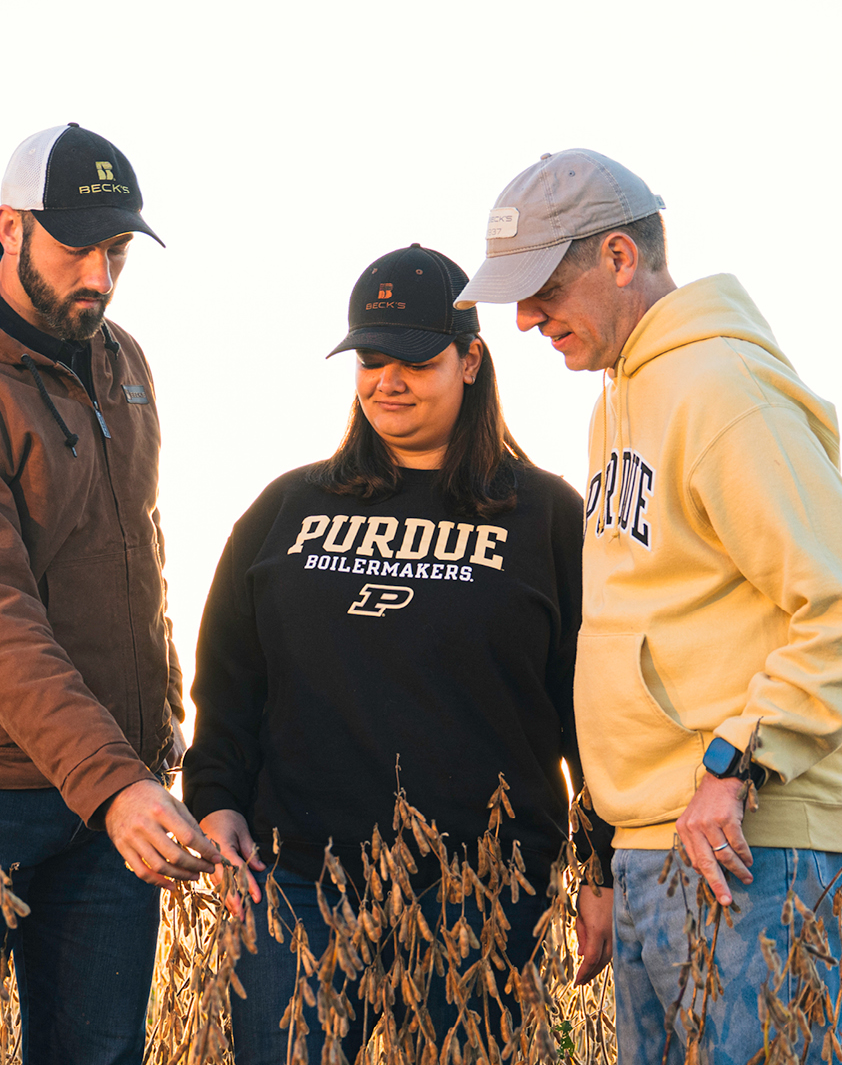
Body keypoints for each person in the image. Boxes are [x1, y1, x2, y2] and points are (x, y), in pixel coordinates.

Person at [456, 149, 842, 1063]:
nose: (526, 317)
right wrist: (617, 845)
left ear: (620, 258)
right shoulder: (620, 396)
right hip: (656, 846)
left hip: (748, 850)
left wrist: (735, 765)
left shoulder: (723, 392)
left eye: (542, 287)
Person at [184, 244, 612, 1060]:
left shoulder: (545, 517)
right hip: (298, 883)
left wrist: (601, 869)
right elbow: (230, 679)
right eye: (370, 360)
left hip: (479, 894)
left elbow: (588, 712)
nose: (389, 380)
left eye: (414, 360)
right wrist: (216, 799)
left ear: (471, 361)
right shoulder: (287, 508)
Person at [0, 123, 222, 1063]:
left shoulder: (119, 360)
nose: (100, 275)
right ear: (11, 228)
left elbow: (136, 552)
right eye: (78, 248)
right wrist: (116, 783)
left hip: (109, 789)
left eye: (118, 250)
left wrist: (160, 720)